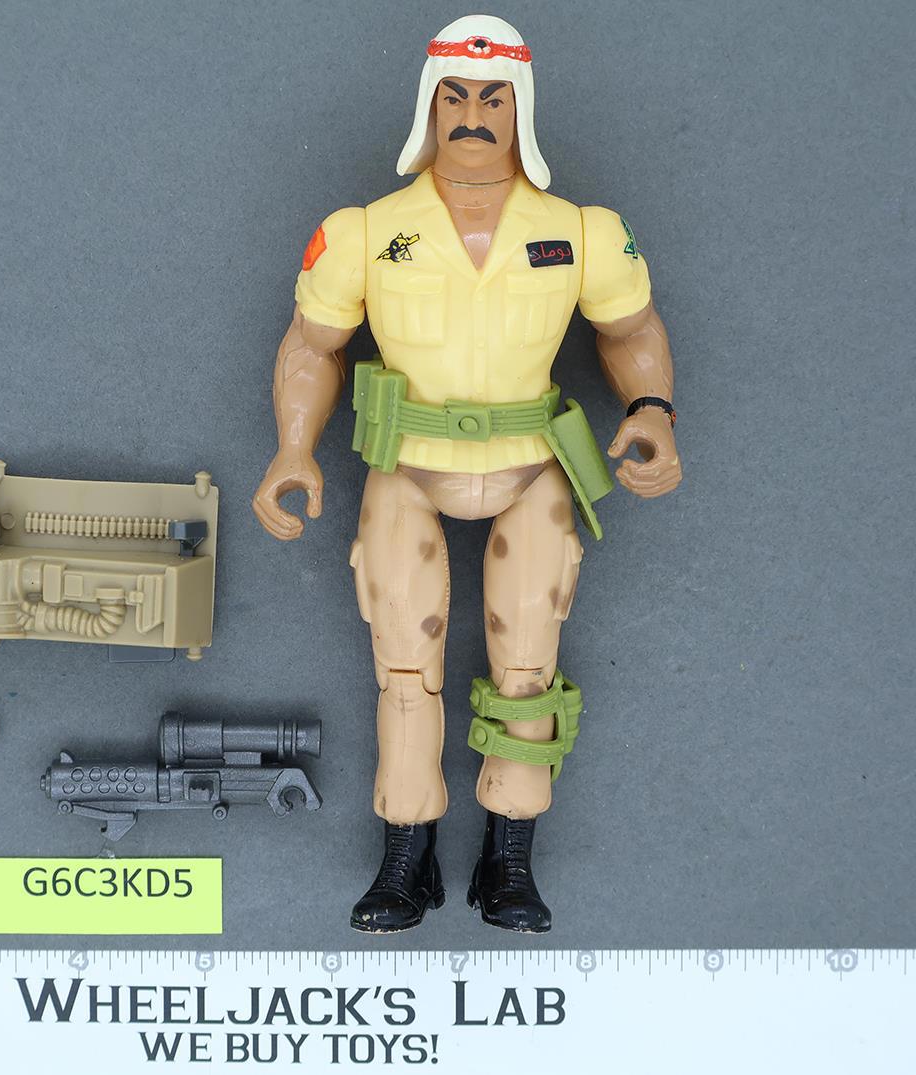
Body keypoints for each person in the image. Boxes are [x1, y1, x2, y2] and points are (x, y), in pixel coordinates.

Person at [253, 15, 682, 933]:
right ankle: (404, 858)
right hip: (408, 466)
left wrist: (652, 408)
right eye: (455, 96)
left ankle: (510, 858)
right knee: (405, 663)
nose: (474, 115)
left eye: (494, 98)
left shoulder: (580, 232)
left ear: (522, 110)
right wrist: (293, 445)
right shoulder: (367, 232)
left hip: (531, 467)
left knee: (528, 664)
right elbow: (312, 346)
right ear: (429, 107)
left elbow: (632, 329)